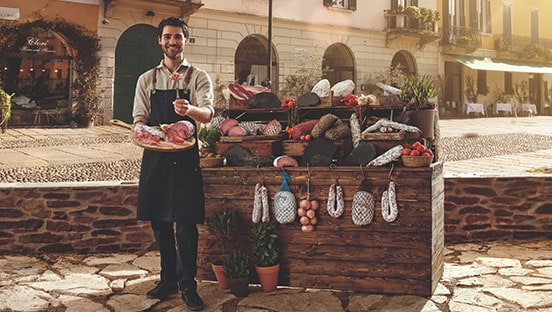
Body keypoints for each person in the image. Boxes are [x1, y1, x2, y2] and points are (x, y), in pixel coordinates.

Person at [132, 16, 214, 311]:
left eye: (178, 37)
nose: (172, 41)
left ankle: (188, 283)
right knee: (160, 222)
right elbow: (139, 119)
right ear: (160, 40)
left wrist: (189, 109)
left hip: (186, 156)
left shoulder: (198, 77)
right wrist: (145, 131)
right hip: (155, 155)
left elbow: (208, 113)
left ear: (186, 41)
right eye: (167, 36)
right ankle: (167, 278)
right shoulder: (147, 80)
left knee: (186, 224)